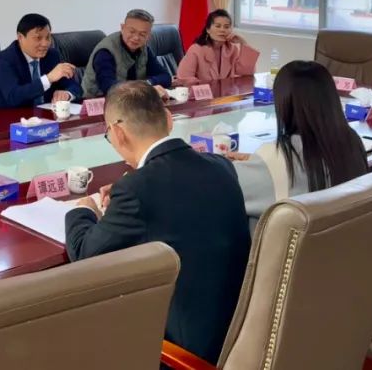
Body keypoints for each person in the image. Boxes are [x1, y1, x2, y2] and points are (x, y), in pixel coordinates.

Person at [65, 81, 250, 364]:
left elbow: (85, 254)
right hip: (236, 337)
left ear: (117, 133)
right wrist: (130, 190)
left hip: (181, 354)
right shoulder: (220, 166)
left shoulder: (137, 189)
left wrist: (84, 210)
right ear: (168, 119)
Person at [228, 61, 368, 228]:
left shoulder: (277, 159)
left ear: (284, 103)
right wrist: (258, 162)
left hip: (284, 245)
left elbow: (220, 187)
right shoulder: (351, 142)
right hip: (344, 242)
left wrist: (261, 163)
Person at [0, 13, 82, 110]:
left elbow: (74, 86)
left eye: (48, 37)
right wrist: (48, 79)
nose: (45, 44)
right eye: (38, 38)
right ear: (20, 37)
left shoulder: (52, 55)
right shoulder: (4, 60)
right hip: (7, 116)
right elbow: (14, 97)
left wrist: (67, 94)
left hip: (45, 115)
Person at [80, 9, 171, 98]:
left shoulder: (144, 49)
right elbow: (108, 87)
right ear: (122, 28)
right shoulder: (105, 51)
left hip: (131, 100)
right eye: (132, 31)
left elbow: (165, 77)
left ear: (148, 36)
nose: (136, 38)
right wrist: (141, 88)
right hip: (98, 100)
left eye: (142, 34)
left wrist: (147, 83)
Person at [176, 10, 260, 84]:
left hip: (227, 95)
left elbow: (247, 75)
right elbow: (184, 78)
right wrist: (205, 90)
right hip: (202, 95)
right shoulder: (196, 50)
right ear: (208, 29)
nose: (222, 30)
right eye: (218, 26)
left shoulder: (232, 49)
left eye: (226, 27)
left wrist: (243, 43)